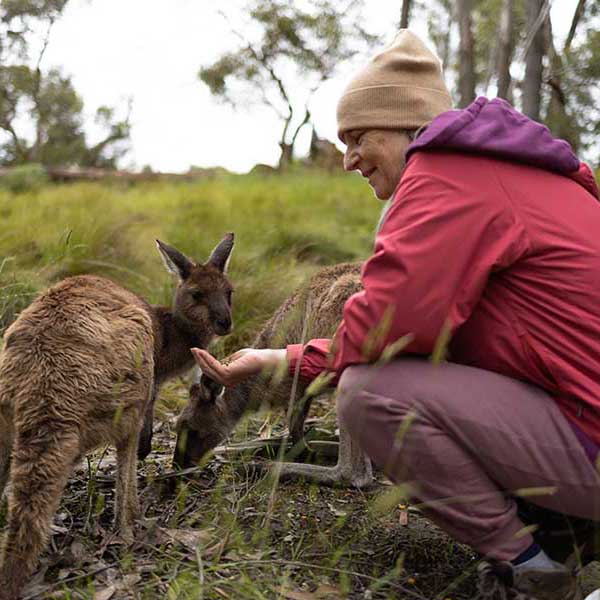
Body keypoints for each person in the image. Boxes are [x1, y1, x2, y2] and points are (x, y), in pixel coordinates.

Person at [192, 30, 600, 599]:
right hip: (576, 415)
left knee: (370, 393)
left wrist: (286, 359)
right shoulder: (513, 173)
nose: (347, 158)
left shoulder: (447, 177)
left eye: (359, 137)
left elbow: (385, 330)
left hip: (588, 438)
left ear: (412, 127)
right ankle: (564, 532)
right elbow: (422, 327)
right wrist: (278, 356)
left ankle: (533, 570)